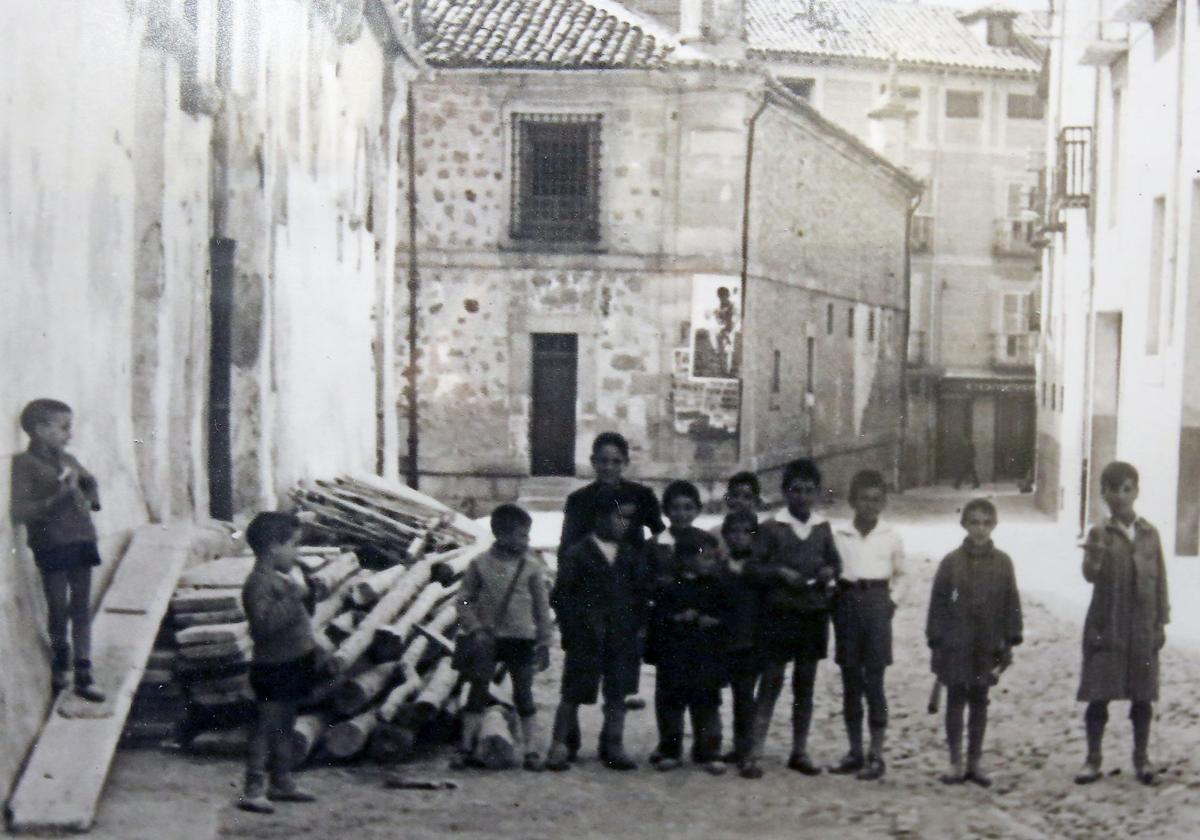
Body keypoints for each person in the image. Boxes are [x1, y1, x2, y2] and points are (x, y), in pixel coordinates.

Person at [741, 459, 841, 780]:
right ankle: (753, 751)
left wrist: (829, 572)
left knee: (805, 685)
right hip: (779, 614)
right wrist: (779, 572)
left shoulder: (823, 528)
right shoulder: (771, 528)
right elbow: (753, 567)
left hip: (812, 614)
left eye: (809, 490)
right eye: (795, 490)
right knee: (771, 680)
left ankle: (799, 750)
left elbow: (835, 565)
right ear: (784, 492)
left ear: (816, 494)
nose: (802, 497)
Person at [1074, 461, 1169, 787]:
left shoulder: (1149, 533)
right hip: (1107, 624)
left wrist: (1161, 621)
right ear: (1103, 493)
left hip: (1141, 626)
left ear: (1136, 492)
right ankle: (1092, 759)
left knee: (1143, 697)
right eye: (1113, 489)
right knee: (1098, 695)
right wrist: (1094, 556)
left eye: (1127, 489)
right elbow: (1089, 575)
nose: (1120, 496)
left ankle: (1141, 758)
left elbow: (1160, 581)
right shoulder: (1099, 532)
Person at [547, 488, 654, 771]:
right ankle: (559, 743)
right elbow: (561, 596)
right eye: (620, 517)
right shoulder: (579, 553)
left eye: (630, 519)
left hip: (620, 635)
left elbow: (641, 594)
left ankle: (613, 743)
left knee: (617, 692)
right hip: (586, 635)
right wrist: (573, 629)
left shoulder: (629, 555)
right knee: (573, 691)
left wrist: (637, 626)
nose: (626, 524)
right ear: (600, 518)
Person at [558, 431, 664, 717]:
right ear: (593, 462)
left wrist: (651, 575)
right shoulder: (579, 500)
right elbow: (566, 549)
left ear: (625, 463)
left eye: (615, 461)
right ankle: (569, 740)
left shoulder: (641, 496)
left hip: (627, 590)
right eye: (603, 461)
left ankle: (612, 743)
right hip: (589, 591)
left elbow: (661, 537)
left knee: (619, 675)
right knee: (580, 675)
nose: (609, 467)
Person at [10, 399, 106, 702]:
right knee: (57, 607)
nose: (69, 434)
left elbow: (90, 483)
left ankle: (84, 671)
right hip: (51, 543)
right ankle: (60, 666)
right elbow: (20, 510)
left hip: (80, 539)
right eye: (63, 428)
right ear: (40, 430)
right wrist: (60, 497)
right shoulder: (24, 464)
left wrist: (90, 494)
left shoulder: (68, 459)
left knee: (80, 607)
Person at [926, 498, 1022, 787]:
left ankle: (975, 762)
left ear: (993, 525)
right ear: (964, 524)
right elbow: (939, 603)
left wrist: (1010, 639)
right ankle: (955, 761)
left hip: (987, 641)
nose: (980, 529)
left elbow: (1011, 602)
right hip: (957, 641)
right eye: (974, 522)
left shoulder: (1003, 563)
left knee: (980, 700)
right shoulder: (951, 563)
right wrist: (937, 639)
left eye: (985, 522)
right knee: (956, 699)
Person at [238, 512, 326, 813]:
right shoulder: (258, 583)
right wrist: (295, 597)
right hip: (273, 666)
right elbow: (263, 625)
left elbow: (301, 615)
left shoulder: (281, 579)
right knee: (266, 725)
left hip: (293, 661)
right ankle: (253, 787)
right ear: (274, 546)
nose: (297, 552)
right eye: (294, 545)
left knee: (285, 723)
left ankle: (282, 780)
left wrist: (308, 593)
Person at [454, 504, 553, 771]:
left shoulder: (531, 567)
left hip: (522, 639)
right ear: (501, 534)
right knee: (477, 692)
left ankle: (531, 750)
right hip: (487, 638)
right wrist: (474, 628)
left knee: (524, 694)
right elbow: (463, 600)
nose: (527, 541)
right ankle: (466, 747)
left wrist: (544, 642)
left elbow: (542, 609)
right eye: (521, 535)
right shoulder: (479, 564)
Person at [830, 470, 906, 781]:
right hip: (848, 603)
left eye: (877, 499)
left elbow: (902, 574)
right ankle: (854, 750)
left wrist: (892, 602)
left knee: (874, 681)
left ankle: (876, 753)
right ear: (852, 501)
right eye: (864, 499)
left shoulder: (891, 536)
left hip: (877, 604)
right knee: (850, 680)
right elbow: (832, 570)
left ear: (884, 502)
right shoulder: (839, 535)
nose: (870, 505)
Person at [645, 529, 728, 775]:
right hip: (676, 656)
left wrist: (713, 620)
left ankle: (708, 750)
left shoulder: (717, 587)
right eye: (705, 558)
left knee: (708, 704)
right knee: (671, 703)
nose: (710, 563)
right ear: (685, 559)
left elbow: (728, 616)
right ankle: (671, 749)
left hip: (706, 655)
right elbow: (658, 619)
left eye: (713, 558)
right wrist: (678, 617)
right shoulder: (669, 588)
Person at [718, 509, 762, 769]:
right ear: (725, 535)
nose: (739, 537)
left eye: (746, 532)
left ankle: (748, 752)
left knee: (746, 697)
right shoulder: (719, 568)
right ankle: (736, 746)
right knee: (733, 696)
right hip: (726, 640)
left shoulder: (759, 569)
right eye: (733, 532)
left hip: (751, 641)